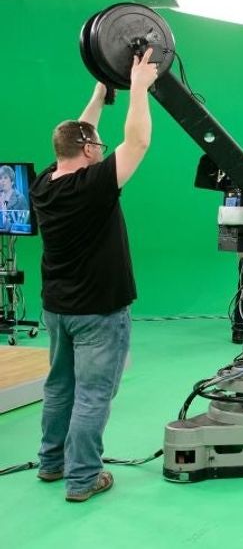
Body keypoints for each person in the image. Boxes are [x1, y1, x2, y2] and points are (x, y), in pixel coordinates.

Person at [29, 51, 158, 502]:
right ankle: (83, 478)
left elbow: (80, 137)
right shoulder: (93, 186)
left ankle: (51, 463)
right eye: (96, 146)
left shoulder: (44, 184)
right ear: (87, 152)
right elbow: (137, 142)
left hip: (57, 310)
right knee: (92, 395)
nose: (101, 148)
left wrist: (99, 98)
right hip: (98, 313)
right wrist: (139, 86)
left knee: (59, 386)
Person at [0, 164, 30, 231]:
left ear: (12, 181)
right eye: (0, 178)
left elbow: (25, 224)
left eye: (5, 177)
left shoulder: (20, 198)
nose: (2, 181)